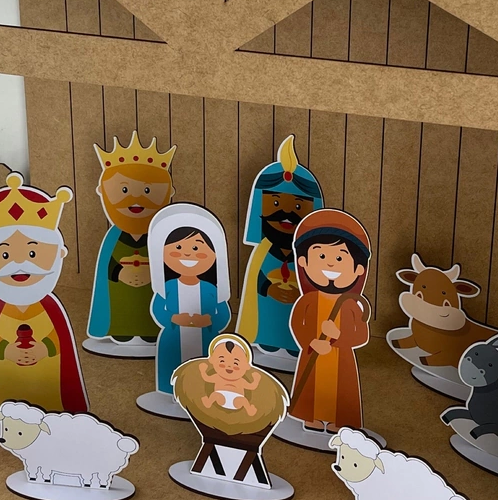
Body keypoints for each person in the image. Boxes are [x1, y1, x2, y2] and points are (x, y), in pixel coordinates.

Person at [0, 173, 88, 437]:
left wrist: (45, 348)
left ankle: (55, 415)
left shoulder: (50, 307)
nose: (19, 264)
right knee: (10, 394)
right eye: (4, 254)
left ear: (59, 254)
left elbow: (60, 341)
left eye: (32, 253)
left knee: (49, 396)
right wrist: (6, 351)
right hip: (7, 375)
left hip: (48, 373)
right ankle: (4, 416)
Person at [85, 132, 176, 355]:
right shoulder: (112, 238)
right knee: (121, 309)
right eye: (124, 190)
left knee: (150, 312)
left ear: (169, 192)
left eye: (148, 191)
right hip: (119, 290)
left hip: (151, 292)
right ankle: (120, 330)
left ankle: (152, 330)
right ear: (102, 192)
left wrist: (154, 276)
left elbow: (170, 263)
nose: (136, 200)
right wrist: (119, 273)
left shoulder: (161, 236)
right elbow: (106, 265)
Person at [236, 135, 322, 369]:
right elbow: (255, 278)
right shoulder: (262, 251)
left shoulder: (312, 257)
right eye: (275, 203)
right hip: (267, 308)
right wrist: (269, 288)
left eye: (298, 206)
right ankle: (267, 341)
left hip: (298, 312)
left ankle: (295, 345)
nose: (286, 213)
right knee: (268, 322)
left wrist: (301, 295)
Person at [288, 209, 372, 433]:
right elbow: (297, 324)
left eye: (340, 258)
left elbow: (362, 334)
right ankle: (311, 417)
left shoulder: (350, 304)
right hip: (313, 354)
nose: (331, 265)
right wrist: (311, 342)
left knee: (340, 389)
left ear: (358, 269)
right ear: (303, 262)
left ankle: (339, 421)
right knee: (312, 386)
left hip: (341, 359)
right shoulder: (308, 301)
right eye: (322, 257)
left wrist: (338, 338)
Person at [148, 203, 231, 397]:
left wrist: (210, 320)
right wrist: (173, 318)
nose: (187, 254)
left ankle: (203, 395)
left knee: (205, 372)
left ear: (214, 254)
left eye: (196, 247)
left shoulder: (211, 289)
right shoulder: (167, 287)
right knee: (172, 368)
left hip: (207, 338)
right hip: (173, 337)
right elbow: (158, 308)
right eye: (178, 247)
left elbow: (224, 313)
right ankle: (171, 391)